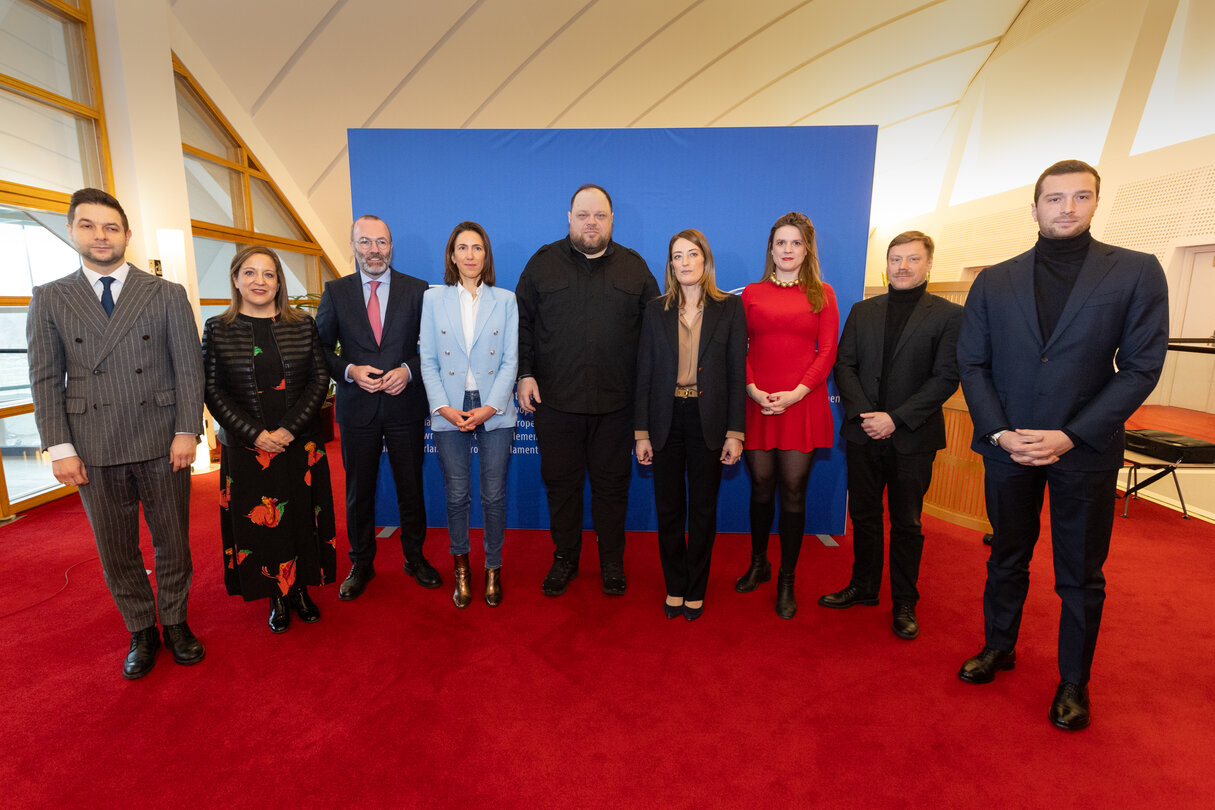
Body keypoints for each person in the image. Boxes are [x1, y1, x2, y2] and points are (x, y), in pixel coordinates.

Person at [955, 159, 1169, 730]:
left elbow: (1141, 368)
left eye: (1080, 197)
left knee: (1079, 572)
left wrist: (1071, 435)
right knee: (1006, 556)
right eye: (1054, 199)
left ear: (1096, 203)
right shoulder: (994, 279)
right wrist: (1000, 433)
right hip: (1008, 447)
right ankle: (999, 646)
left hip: (1085, 450)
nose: (1067, 208)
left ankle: (1074, 681)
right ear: (1035, 207)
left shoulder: (1136, 272)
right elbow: (972, 364)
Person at [27, 187, 205, 679]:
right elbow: (45, 378)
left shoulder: (165, 293)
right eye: (88, 225)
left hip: (162, 438)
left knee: (173, 540)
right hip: (93, 443)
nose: (100, 236)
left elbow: (189, 368)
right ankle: (140, 629)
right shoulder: (50, 298)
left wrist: (188, 430)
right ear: (72, 232)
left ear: (127, 234)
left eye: (110, 227)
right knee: (116, 547)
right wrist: (60, 447)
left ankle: (175, 621)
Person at [516, 184, 660, 597]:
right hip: (555, 405)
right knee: (562, 488)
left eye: (599, 215)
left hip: (617, 407)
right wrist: (525, 373)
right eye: (583, 215)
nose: (591, 222)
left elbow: (657, 334)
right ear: (569, 218)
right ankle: (565, 559)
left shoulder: (635, 269)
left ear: (612, 220)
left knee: (613, 490)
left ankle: (612, 562)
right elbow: (522, 323)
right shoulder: (542, 265)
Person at [820, 231, 962, 640]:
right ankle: (863, 586)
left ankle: (904, 600)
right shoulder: (863, 310)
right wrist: (868, 415)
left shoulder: (949, 316)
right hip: (864, 434)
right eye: (896, 259)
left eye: (912, 259)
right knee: (863, 515)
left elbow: (945, 378)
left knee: (907, 523)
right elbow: (843, 365)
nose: (902, 266)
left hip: (912, 438)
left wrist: (895, 419)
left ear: (929, 265)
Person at [202, 246, 337, 633]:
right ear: (235, 280)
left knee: (299, 517)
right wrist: (255, 434)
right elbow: (213, 390)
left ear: (279, 282)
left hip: (300, 444)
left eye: (268, 274)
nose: (259, 281)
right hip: (248, 450)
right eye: (250, 273)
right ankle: (276, 594)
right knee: (262, 524)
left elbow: (318, 380)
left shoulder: (301, 325)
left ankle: (301, 590)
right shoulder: (218, 328)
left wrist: (289, 429)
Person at [316, 215, 439, 600]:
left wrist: (408, 370)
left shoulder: (418, 290)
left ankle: (415, 557)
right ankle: (362, 563)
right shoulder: (336, 292)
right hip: (357, 409)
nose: (374, 250)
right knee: (359, 491)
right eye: (365, 242)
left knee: (411, 487)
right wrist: (349, 370)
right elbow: (318, 351)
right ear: (353, 245)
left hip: (405, 406)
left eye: (381, 242)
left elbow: (435, 348)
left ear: (391, 247)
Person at [635, 229, 746, 621]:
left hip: (708, 421)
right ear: (670, 265)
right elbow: (644, 373)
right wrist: (641, 432)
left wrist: (735, 432)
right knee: (668, 511)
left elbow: (736, 373)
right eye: (677, 256)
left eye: (692, 254)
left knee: (702, 510)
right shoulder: (654, 310)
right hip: (666, 420)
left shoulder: (730, 309)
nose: (684, 262)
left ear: (706, 261)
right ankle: (675, 585)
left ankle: (696, 587)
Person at [736, 212, 839, 619]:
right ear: (771, 248)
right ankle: (759, 562)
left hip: (802, 403)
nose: (788, 250)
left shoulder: (823, 293)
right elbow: (737, 348)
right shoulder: (751, 294)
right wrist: (753, 389)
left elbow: (828, 351)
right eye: (781, 243)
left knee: (793, 491)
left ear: (807, 248)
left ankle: (787, 578)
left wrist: (795, 393)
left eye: (796, 243)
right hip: (756, 401)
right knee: (761, 486)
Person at [420, 222, 518, 608]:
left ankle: (492, 567)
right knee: (457, 494)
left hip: (493, 406)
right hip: (449, 403)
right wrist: (442, 406)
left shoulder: (506, 300)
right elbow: (427, 359)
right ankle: (462, 568)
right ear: (452, 255)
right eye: (462, 247)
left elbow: (510, 360)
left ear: (486, 255)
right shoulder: (433, 300)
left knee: (493, 495)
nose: (470, 255)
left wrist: (490, 407)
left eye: (477, 248)